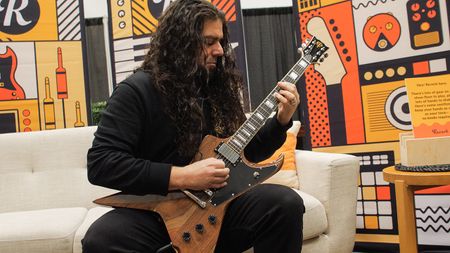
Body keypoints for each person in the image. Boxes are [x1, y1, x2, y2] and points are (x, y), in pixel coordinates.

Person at [82, 0, 304, 252]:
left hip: (216, 208)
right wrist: (184, 176)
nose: (220, 50)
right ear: (180, 43)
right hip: (154, 212)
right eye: (209, 42)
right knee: (101, 238)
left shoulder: (214, 89)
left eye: (220, 41)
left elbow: (244, 154)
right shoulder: (135, 91)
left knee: (283, 202)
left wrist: (281, 121)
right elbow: (102, 164)